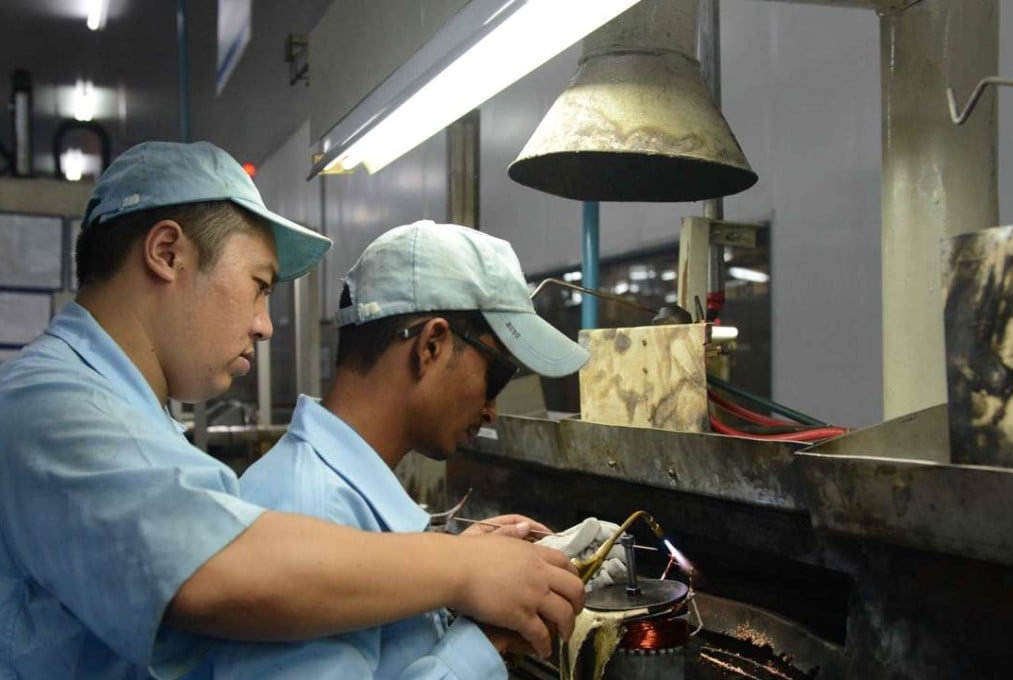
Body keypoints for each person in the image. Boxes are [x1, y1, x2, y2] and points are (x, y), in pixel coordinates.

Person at [0, 143, 585, 679]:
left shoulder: (128, 415)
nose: (263, 324)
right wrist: (462, 572)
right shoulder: (49, 405)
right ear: (167, 253)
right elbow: (220, 569)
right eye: (259, 284)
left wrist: (452, 563)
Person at [198, 221, 596, 679]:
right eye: (497, 377)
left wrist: (454, 572)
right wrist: (482, 645)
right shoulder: (309, 510)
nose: (492, 411)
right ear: (430, 346)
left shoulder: (335, 500)